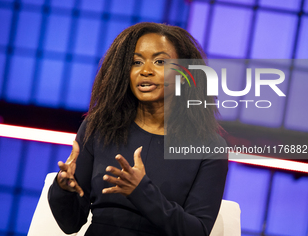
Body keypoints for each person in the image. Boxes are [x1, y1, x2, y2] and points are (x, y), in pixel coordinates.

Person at [48, 22, 228, 236]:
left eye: (160, 61)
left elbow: (197, 232)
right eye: (136, 62)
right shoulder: (97, 128)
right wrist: (63, 189)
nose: (146, 71)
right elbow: (71, 224)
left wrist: (142, 191)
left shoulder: (209, 147)